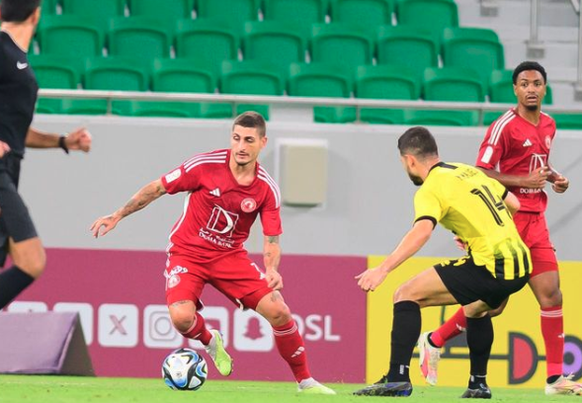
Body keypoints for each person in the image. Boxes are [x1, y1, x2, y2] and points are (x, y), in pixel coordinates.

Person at [90, 112, 335, 395]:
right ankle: (210, 340)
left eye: (248, 140)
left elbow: (272, 240)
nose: (241, 146)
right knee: (182, 318)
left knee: (279, 311)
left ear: (262, 142)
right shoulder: (204, 166)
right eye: (236, 138)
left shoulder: (266, 189)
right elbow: (157, 187)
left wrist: (272, 269)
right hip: (187, 253)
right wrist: (118, 214)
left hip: (230, 257)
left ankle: (306, 382)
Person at [417, 61, 582, 396]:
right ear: (515, 89)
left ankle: (555, 379)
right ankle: (434, 340)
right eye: (524, 84)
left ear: (545, 88)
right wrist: (523, 181)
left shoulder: (549, 125)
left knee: (552, 294)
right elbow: (479, 173)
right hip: (505, 223)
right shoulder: (503, 126)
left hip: (536, 221)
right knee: (493, 305)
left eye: (537, 83)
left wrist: (554, 178)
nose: (531, 89)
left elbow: (539, 164)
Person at [352, 126, 531, 398]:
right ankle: (478, 384)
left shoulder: (431, 187)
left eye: (404, 164)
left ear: (409, 160)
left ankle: (397, 378)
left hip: (493, 264)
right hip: (520, 263)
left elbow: (422, 231)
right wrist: (471, 232)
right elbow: (514, 204)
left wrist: (382, 269)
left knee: (405, 294)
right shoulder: (466, 170)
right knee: (475, 308)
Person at [0, 0, 92, 310]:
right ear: (37, 14)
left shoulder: (17, 60)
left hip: (10, 168)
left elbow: (16, 129)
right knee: (32, 260)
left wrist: (64, 141)